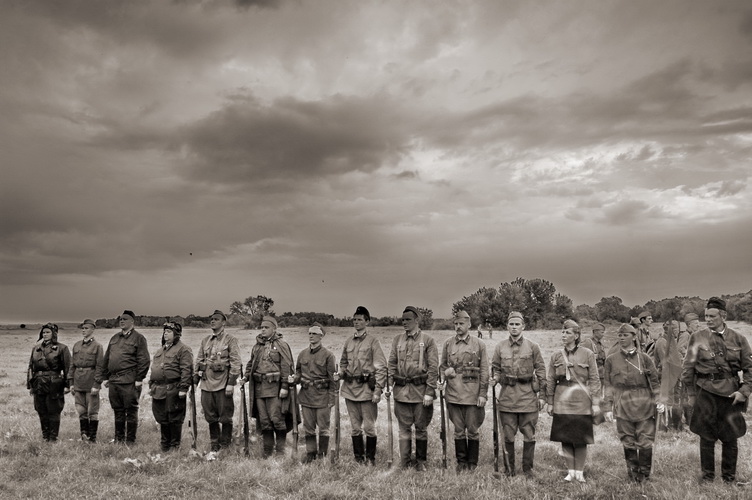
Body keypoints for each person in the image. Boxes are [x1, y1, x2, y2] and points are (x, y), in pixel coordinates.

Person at [681, 297, 752, 483]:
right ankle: (707, 477)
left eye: (712, 316)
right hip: (705, 392)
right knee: (706, 437)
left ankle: (729, 477)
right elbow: (688, 368)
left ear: (723, 316)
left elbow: (749, 369)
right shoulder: (697, 338)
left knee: (730, 437)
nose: (708, 319)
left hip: (731, 394)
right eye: (706, 316)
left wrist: (744, 391)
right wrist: (691, 394)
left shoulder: (739, 339)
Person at [603, 323, 662, 482]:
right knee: (627, 440)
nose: (622, 338)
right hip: (622, 404)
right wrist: (607, 408)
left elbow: (655, 382)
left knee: (645, 440)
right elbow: (608, 386)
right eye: (620, 335)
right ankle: (633, 474)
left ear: (634, 337)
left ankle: (645, 474)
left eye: (625, 335)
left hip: (644, 404)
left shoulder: (645, 359)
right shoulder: (611, 360)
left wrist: (659, 400)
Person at [491, 311, 545, 476]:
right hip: (507, 399)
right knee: (508, 435)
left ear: (523, 326)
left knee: (529, 435)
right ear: (507, 326)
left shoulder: (533, 347)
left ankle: (528, 469)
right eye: (511, 324)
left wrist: (542, 396)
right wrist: (495, 378)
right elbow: (496, 368)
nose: (514, 327)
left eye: (517, 324)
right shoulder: (500, 347)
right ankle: (509, 469)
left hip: (528, 398)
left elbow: (541, 371)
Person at [546, 319, 601, 483]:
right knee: (565, 437)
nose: (564, 335)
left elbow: (594, 379)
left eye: (568, 332)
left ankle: (580, 472)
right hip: (562, 400)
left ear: (576, 336)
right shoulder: (556, 355)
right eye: (563, 332)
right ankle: (570, 471)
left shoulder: (587, 354)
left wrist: (595, 403)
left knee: (581, 438)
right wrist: (550, 402)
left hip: (581, 400)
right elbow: (551, 380)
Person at [387, 306, 439, 471]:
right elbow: (392, 364)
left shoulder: (428, 340)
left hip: (420, 392)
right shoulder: (397, 340)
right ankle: (405, 461)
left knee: (421, 428)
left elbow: (433, 368)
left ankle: (421, 461)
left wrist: (429, 392)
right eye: (402, 320)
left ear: (417, 321)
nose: (404, 322)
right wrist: (389, 384)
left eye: (408, 319)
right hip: (401, 392)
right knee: (403, 429)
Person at [337, 306, 387, 465]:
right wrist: (341, 373)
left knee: (369, 427)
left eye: (360, 319)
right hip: (350, 389)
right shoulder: (348, 341)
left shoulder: (373, 342)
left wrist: (378, 390)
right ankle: (358, 458)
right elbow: (343, 362)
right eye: (354, 319)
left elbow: (381, 367)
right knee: (355, 427)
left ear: (367, 322)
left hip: (366, 390)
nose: (356, 322)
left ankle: (370, 458)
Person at [240, 315, 295, 458]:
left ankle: (280, 451)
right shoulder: (257, 346)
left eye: (266, 327)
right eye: (262, 327)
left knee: (277, 419)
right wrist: (245, 377)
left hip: (275, 389)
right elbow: (251, 364)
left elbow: (286, 366)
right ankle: (267, 451)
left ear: (274, 329)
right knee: (264, 421)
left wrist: (284, 386)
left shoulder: (281, 345)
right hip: (259, 389)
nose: (263, 330)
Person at [441, 310, 489, 472]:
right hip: (453, 394)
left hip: (472, 394)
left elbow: (484, 371)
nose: (458, 326)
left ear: (469, 324)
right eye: (455, 324)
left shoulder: (479, 344)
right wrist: (445, 374)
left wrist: (483, 394)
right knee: (458, 430)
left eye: (461, 323)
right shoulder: (448, 343)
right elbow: (442, 366)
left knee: (473, 430)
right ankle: (461, 462)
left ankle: (472, 463)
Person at [96, 310, 150, 444]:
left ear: (132, 322)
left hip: (129, 380)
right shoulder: (115, 338)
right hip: (114, 381)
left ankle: (130, 440)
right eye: (120, 319)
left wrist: (139, 379)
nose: (122, 321)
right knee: (118, 410)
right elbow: (107, 358)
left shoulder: (139, 338)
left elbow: (144, 360)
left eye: (125, 319)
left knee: (131, 410)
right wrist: (105, 377)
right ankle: (119, 439)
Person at [194, 310, 241, 452]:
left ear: (223, 322)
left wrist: (231, 383)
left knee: (225, 416)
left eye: (216, 319)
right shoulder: (205, 341)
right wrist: (195, 381)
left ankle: (225, 444)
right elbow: (199, 361)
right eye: (211, 319)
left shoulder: (230, 340)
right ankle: (214, 443)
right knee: (210, 416)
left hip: (222, 384)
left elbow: (236, 363)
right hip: (206, 384)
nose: (212, 321)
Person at [292, 324, 336, 462]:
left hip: (322, 397)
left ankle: (322, 455)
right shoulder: (302, 354)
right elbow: (298, 372)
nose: (311, 336)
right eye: (310, 333)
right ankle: (310, 454)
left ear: (321, 336)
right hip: (306, 396)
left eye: (314, 334)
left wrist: (332, 398)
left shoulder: (328, 355)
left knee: (323, 428)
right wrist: (294, 378)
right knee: (308, 428)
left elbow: (332, 379)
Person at [150, 321, 193, 452]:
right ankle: (165, 444)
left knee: (174, 418)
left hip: (174, 389)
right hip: (159, 389)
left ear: (176, 334)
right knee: (162, 417)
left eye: (169, 332)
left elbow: (186, 370)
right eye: (164, 332)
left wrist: (183, 388)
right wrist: (152, 385)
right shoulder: (160, 350)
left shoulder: (183, 349)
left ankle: (174, 446)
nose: (165, 334)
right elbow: (155, 368)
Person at [27, 323, 71, 441]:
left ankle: (53, 437)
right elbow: (31, 367)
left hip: (54, 383)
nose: (45, 334)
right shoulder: (36, 349)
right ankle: (45, 436)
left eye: (48, 332)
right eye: (44, 332)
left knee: (54, 410)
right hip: (38, 383)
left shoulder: (62, 348)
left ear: (54, 334)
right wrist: (30, 385)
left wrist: (68, 385)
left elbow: (68, 368)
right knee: (41, 410)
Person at [68, 318, 104, 442]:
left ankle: (92, 438)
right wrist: (71, 383)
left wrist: (96, 384)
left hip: (90, 382)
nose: (83, 330)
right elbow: (72, 365)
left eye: (86, 328)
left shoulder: (97, 346)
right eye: (82, 328)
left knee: (92, 411)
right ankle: (84, 436)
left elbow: (100, 366)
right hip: (78, 382)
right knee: (81, 410)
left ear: (93, 329)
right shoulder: (77, 345)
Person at [653, 320, 682, 431]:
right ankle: (664, 426)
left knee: (673, 400)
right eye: (675, 329)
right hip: (665, 376)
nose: (678, 331)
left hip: (673, 375)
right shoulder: (662, 342)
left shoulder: (670, 341)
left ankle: (674, 424)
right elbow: (665, 363)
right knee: (665, 400)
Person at [679, 312, 701, 426]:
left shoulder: (694, 335)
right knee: (688, 395)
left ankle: (692, 419)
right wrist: (690, 355)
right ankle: (689, 420)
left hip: (693, 370)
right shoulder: (686, 335)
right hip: (687, 371)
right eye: (696, 323)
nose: (698, 325)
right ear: (689, 324)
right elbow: (679, 348)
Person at [581, 323, 607, 398]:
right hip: (591, 375)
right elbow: (581, 357)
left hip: (601, 374)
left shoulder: (600, 344)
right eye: (602, 332)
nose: (603, 334)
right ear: (595, 332)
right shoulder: (588, 342)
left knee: (599, 395)